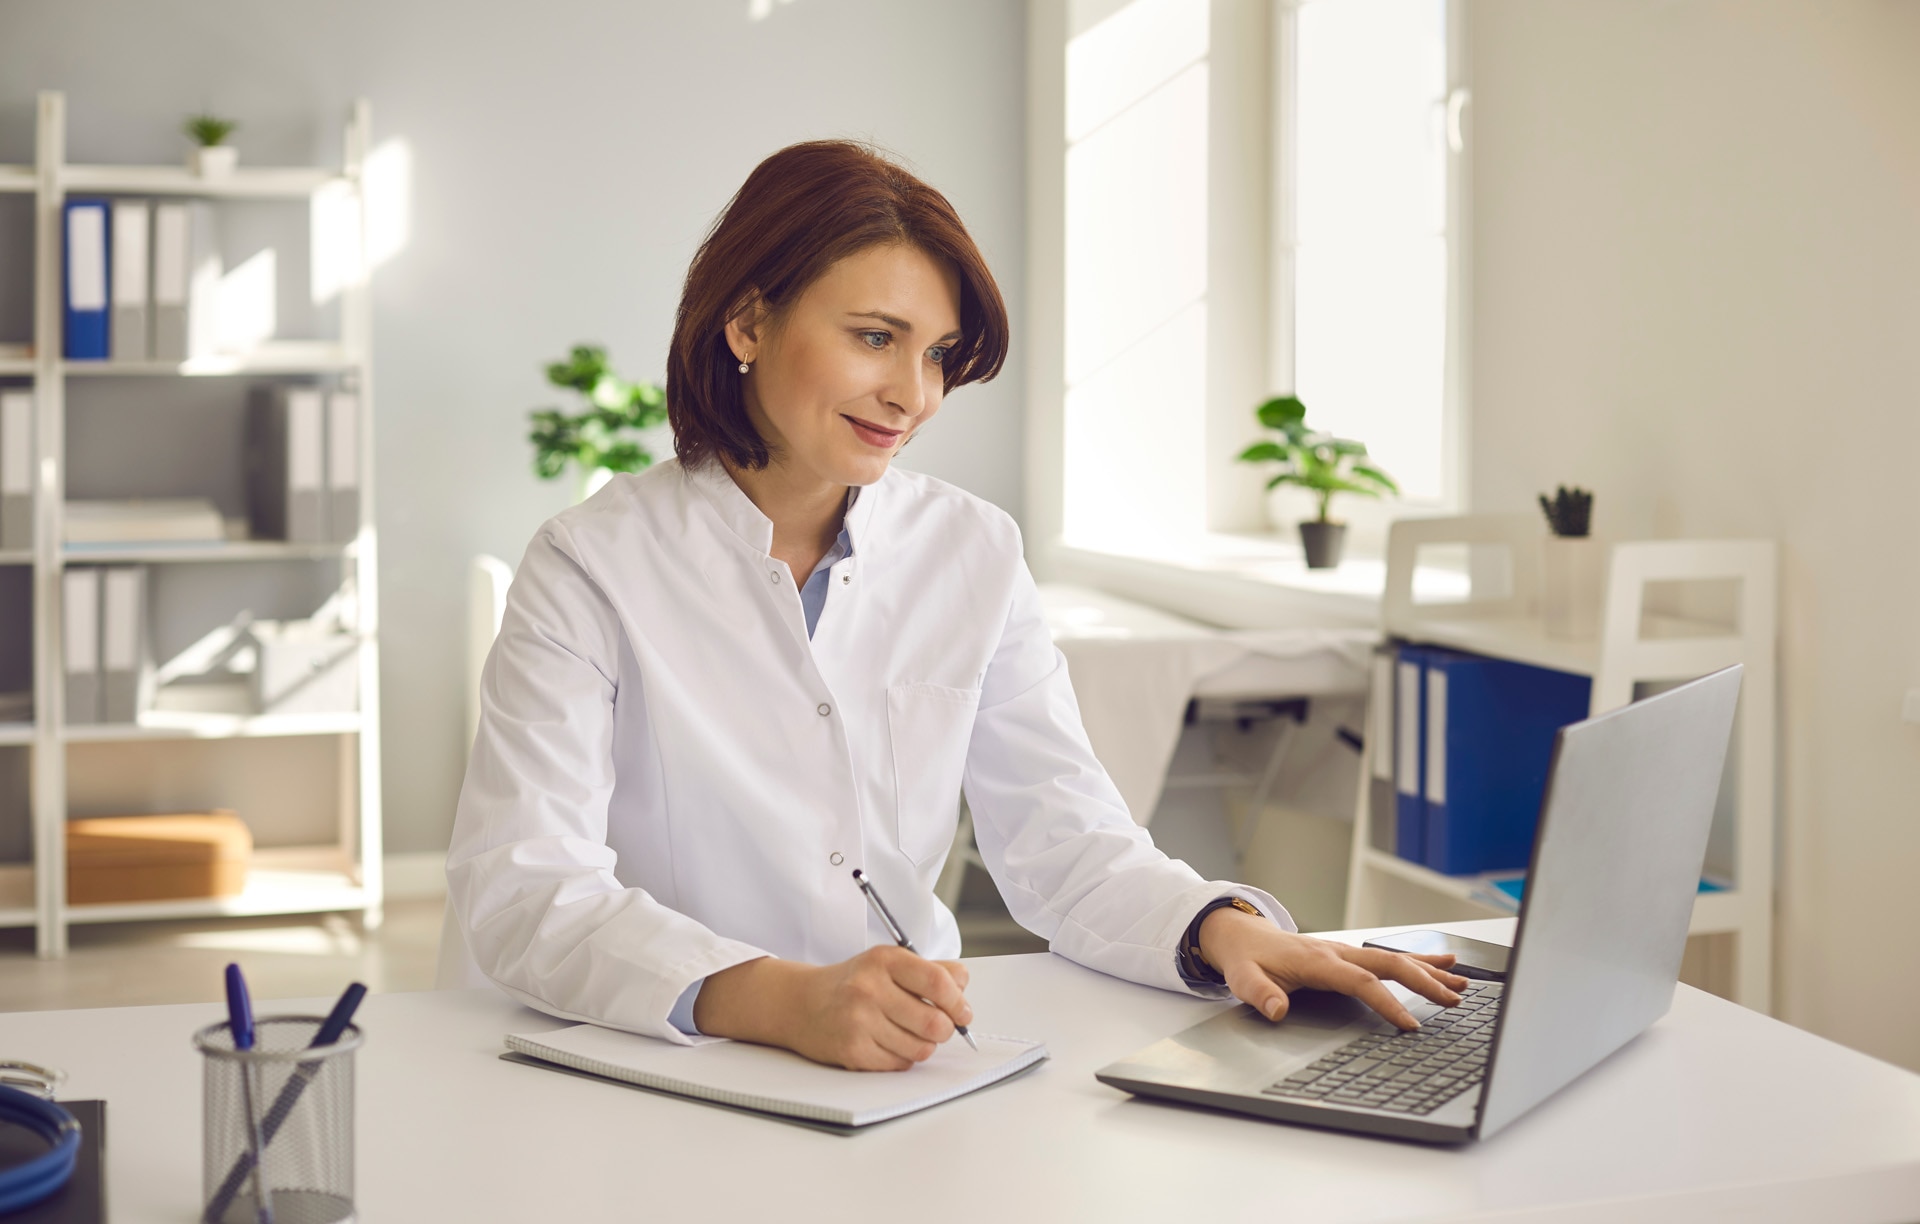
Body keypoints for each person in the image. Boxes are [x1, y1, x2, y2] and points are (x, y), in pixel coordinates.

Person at [448, 140, 1466, 1072]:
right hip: (660, 1068)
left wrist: (1222, 928)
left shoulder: (974, 551)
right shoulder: (590, 565)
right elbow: (526, 889)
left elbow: (1066, 845)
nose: (913, 394)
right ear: (748, 322)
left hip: (914, 1064)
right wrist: (779, 1001)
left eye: (936, 354)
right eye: (875, 337)